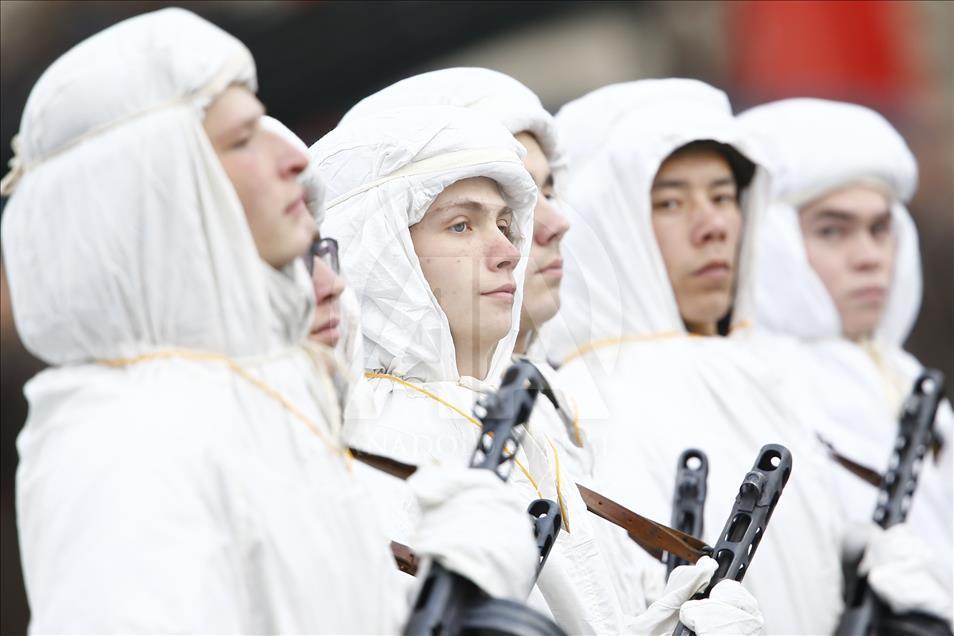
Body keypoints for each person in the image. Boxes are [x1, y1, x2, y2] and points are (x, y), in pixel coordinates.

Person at [1, 9, 537, 632]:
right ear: (156, 189)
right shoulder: (128, 432)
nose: (291, 157)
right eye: (241, 140)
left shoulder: (251, 395)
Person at [321, 76, 764, 634]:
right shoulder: (370, 436)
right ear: (379, 252)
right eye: (461, 225)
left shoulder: (518, 427)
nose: (509, 251)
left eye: (506, 224)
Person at [543, 78, 848, 633]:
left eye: (723, 197)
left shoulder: (768, 372)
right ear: (610, 222)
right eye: (670, 202)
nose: (713, 226)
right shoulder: (586, 399)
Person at [739, 97, 953, 622]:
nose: (869, 257)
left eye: (880, 229)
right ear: (770, 238)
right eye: (832, 230)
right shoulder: (754, 374)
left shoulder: (901, 372)